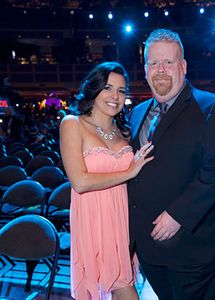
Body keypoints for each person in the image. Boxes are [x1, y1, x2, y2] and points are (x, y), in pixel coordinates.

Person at [127, 28, 215, 299]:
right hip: (150, 249)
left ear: (183, 66)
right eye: (153, 62)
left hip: (194, 247)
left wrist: (178, 214)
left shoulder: (214, 107)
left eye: (168, 61)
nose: (160, 69)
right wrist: (132, 245)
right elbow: (136, 177)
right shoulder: (137, 112)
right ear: (145, 69)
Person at [60, 62, 154, 300]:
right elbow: (79, 182)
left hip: (122, 218)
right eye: (108, 88)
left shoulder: (124, 131)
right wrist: (129, 172)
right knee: (122, 288)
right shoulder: (73, 124)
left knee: (121, 284)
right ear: (94, 89)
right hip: (92, 218)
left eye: (121, 91)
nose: (115, 96)